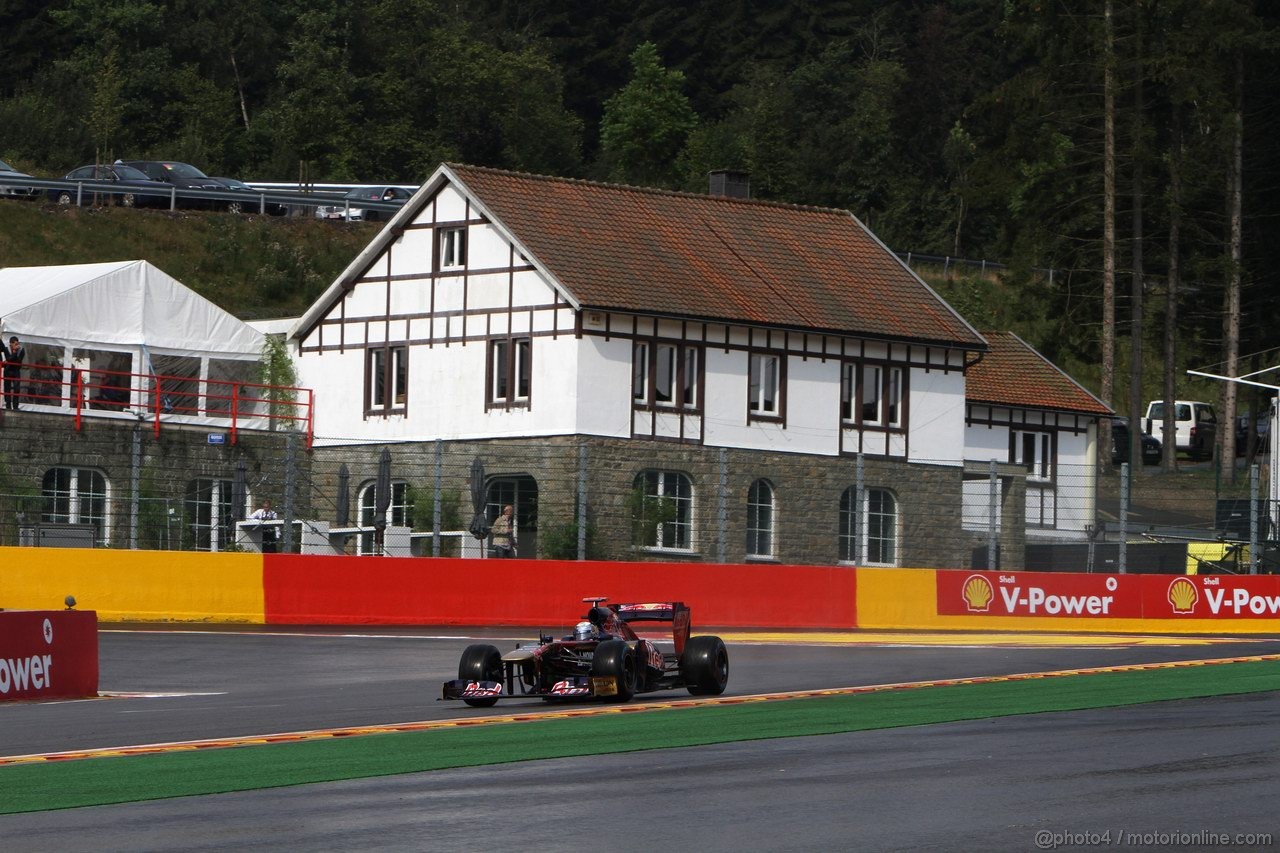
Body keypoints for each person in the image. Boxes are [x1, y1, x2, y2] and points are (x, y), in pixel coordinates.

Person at [3, 335, 25, 410]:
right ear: (11, 344)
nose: (17, 346)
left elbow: (19, 360)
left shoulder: (21, 349)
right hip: (8, 370)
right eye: (15, 344)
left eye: (17, 344)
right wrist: (14, 353)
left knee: (17, 388)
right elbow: (8, 359)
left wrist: (12, 357)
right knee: (7, 388)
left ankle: (15, 406)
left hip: (16, 370)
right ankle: (8, 405)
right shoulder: (6, 348)